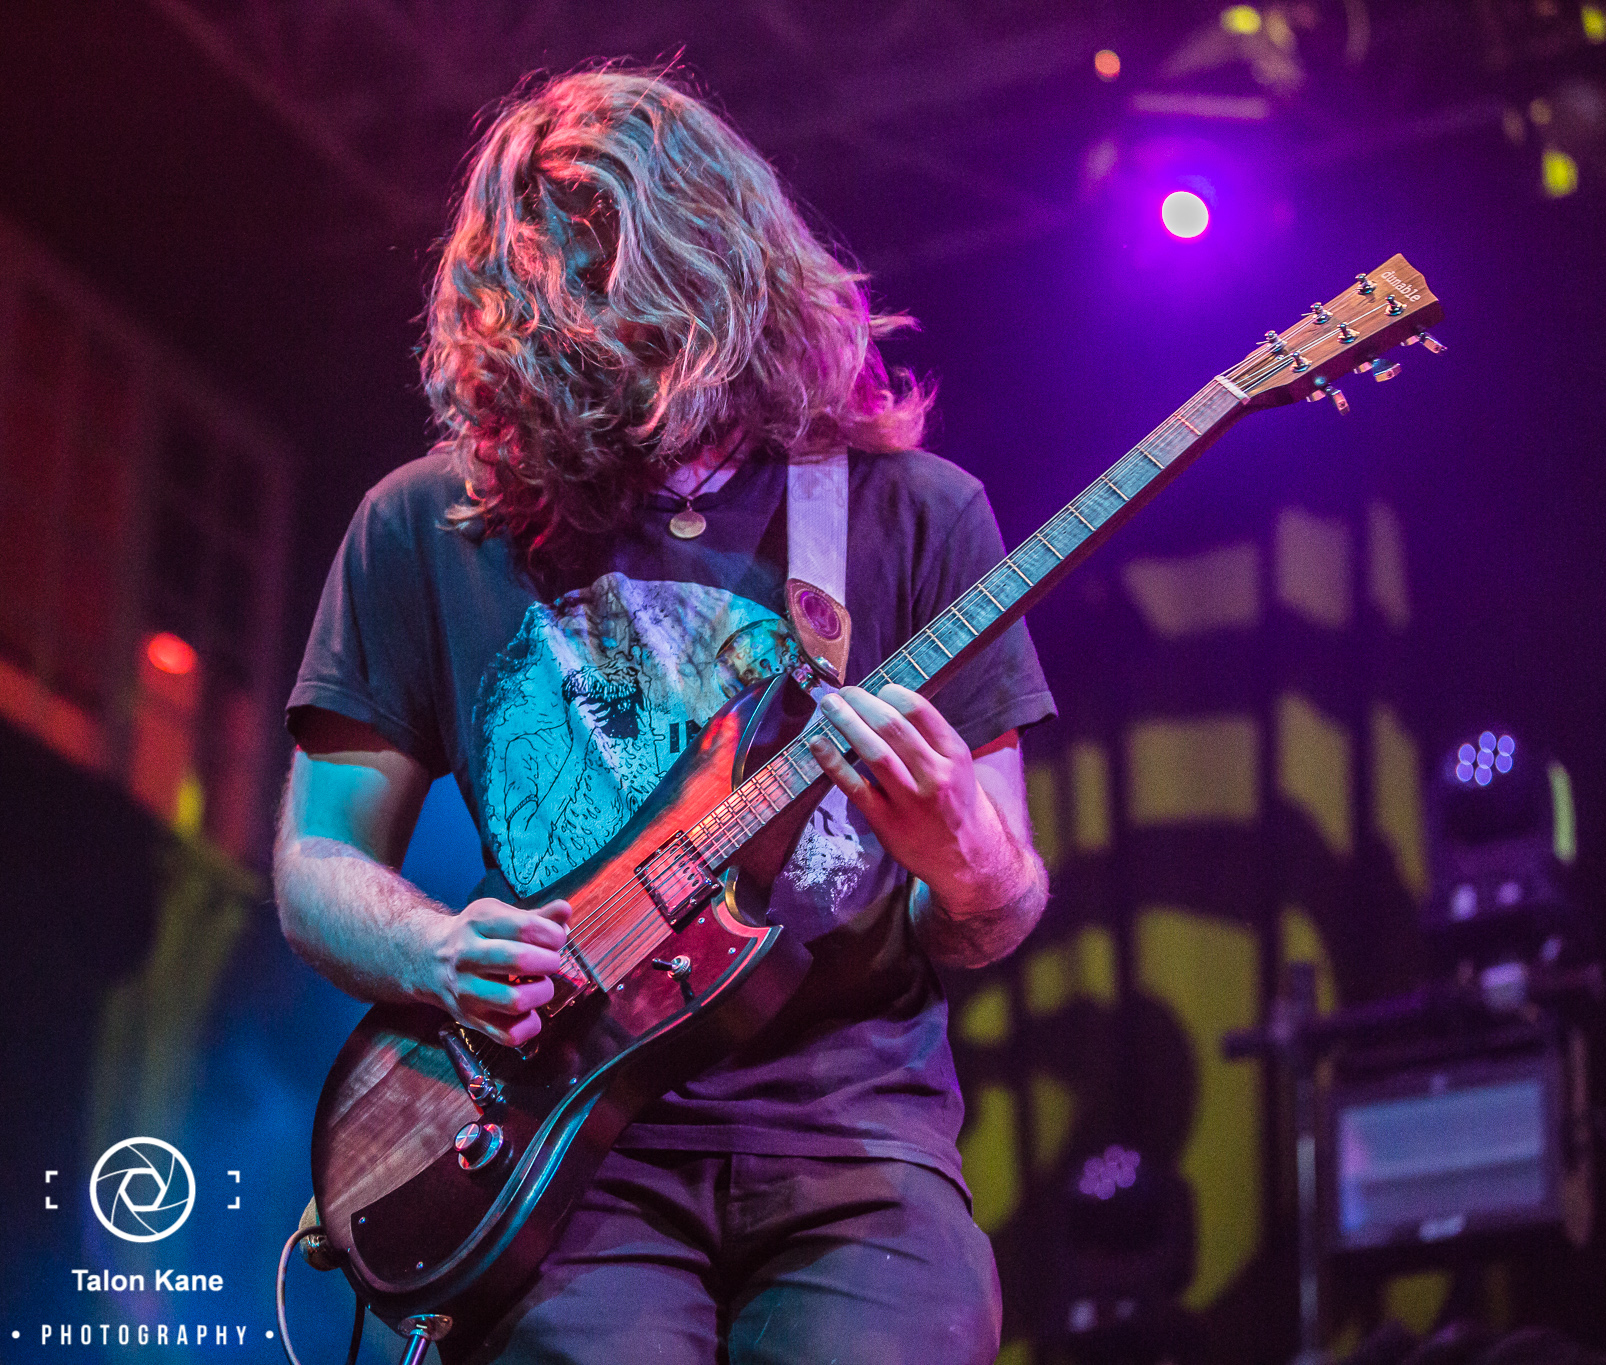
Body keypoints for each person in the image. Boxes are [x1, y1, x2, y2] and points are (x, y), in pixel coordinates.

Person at [274, 67, 1054, 1365]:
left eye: (646, 314)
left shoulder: (915, 514)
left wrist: (966, 858)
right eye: (573, 326)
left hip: (853, 1150)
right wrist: (436, 948)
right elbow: (315, 864)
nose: (616, 359)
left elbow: (997, 910)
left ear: (731, 278)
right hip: (557, 1153)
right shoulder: (427, 522)